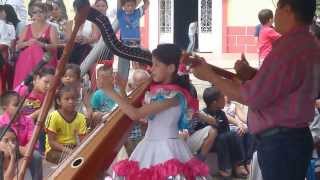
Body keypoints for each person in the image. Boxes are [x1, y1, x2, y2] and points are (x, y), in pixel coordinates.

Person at [191, 0, 320, 179]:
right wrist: (249, 73)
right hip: (293, 138)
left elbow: (251, 97)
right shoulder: (310, 43)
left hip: (281, 142)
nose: (275, 16)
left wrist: (210, 76)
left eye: (277, 8)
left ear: (287, 9)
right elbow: (282, 84)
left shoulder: (289, 48)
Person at [98, 44, 208, 179]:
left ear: (171, 68)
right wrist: (121, 89)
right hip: (149, 143)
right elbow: (136, 111)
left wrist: (109, 91)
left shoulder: (174, 96)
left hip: (167, 149)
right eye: (152, 64)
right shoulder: (158, 92)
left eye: (156, 65)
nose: (151, 68)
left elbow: (135, 113)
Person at [13, 2, 58, 88]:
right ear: (32, 14)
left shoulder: (52, 28)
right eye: (35, 12)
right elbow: (18, 46)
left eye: (40, 11)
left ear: (46, 13)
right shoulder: (27, 27)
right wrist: (27, 43)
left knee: (36, 49)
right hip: (27, 60)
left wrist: (41, 44)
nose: (38, 14)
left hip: (45, 60)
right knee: (32, 49)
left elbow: (55, 47)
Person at [0, 91, 43, 180]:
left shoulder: (28, 121)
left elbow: (33, 143)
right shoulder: (1, 122)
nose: (20, 106)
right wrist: (16, 148)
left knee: (36, 156)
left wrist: (23, 150)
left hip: (24, 152)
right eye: (16, 105)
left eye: (21, 103)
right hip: (6, 151)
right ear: (5, 108)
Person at [15, 67, 54, 154]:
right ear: (37, 78)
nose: (48, 86)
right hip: (19, 124)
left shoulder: (47, 96)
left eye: (51, 84)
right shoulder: (24, 90)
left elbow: (45, 112)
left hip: (36, 126)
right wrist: (29, 118)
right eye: (46, 82)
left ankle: (41, 150)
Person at [45, 85, 87, 164]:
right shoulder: (53, 116)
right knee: (70, 161)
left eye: (73, 99)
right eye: (67, 99)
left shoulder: (81, 117)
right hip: (53, 150)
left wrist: (79, 150)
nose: (71, 101)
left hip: (72, 147)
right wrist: (70, 152)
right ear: (58, 101)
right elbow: (52, 142)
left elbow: (83, 140)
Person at [117, 0, 149, 81]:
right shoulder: (120, 14)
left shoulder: (137, 13)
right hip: (125, 46)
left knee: (139, 67)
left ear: (135, 6)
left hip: (136, 45)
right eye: (128, 5)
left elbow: (147, 4)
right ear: (123, 6)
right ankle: (122, 85)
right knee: (123, 69)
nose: (130, 7)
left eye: (132, 5)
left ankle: (140, 82)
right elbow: (119, 2)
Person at [0, 5, 16, 95]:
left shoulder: (9, 25)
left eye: (2, 11)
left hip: (4, 52)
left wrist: (12, 53)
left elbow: (10, 41)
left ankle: (5, 92)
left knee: (5, 73)